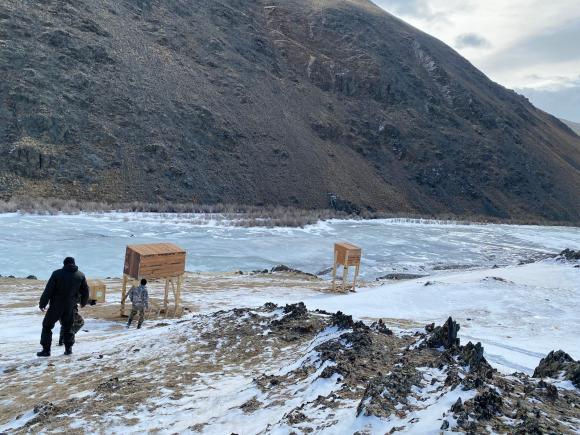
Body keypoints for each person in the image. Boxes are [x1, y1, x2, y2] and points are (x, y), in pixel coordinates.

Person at [37, 257, 89, 357]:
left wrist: (42, 303)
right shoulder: (80, 275)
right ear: (74, 263)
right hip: (70, 306)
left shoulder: (57, 273)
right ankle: (68, 349)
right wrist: (83, 302)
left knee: (47, 326)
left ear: (64, 264)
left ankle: (46, 351)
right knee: (68, 327)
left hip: (56, 306)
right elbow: (85, 291)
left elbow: (48, 290)